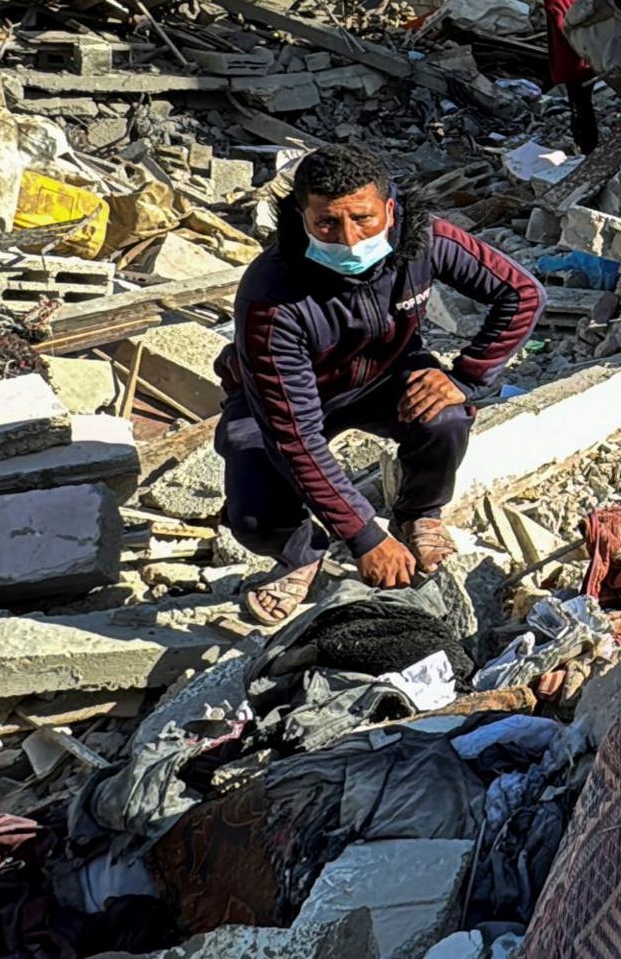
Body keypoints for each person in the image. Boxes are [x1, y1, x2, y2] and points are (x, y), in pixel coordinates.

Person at [216, 143, 545, 623]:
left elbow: (522, 295)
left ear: (389, 209)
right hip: (282, 398)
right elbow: (296, 435)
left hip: (385, 375)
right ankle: (302, 554)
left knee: (446, 415)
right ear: (301, 216)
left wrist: (466, 376)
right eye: (327, 223)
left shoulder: (425, 241)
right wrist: (365, 536)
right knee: (252, 513)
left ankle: (418, 514)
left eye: (364, 219)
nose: (350, 240)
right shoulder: (272, 298)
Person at [538, 0, 598, 153]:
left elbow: (560, 22)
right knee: (586, 103)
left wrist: (575, 49)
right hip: (592, 51)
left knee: (578, 106)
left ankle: (586, 149)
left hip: (571, 55)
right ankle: (590, 146)